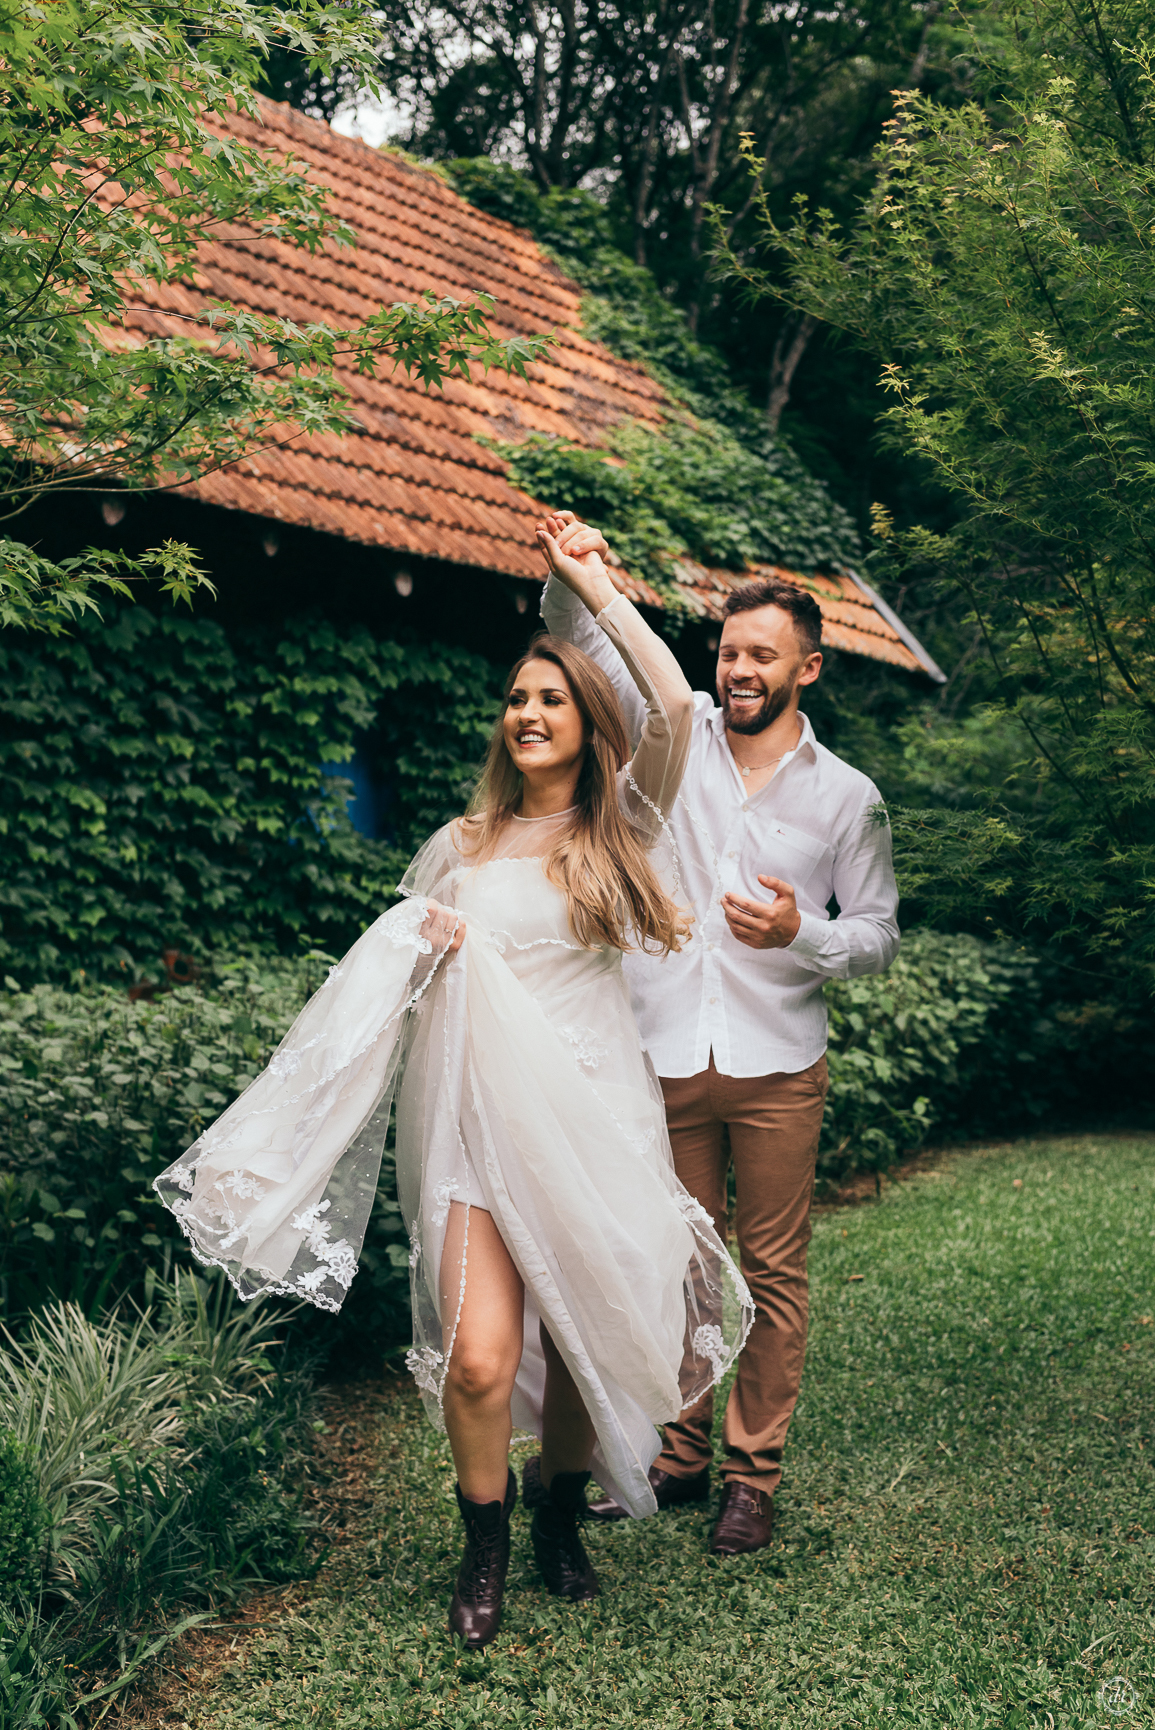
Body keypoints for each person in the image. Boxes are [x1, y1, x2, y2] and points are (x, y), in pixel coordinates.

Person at [154, 521, 753, 1650]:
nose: (529, 713)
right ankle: (484, 1538)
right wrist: (415, 944)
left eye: (553, 699)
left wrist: (587, 585)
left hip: (590, 1125)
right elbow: (408, 987)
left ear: (587, 727)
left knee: (581, 1345)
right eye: (518, 698)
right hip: (473, 1128)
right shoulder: (459, 843)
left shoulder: (616, 829)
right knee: (478, 1357)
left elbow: (674, 711)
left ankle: (559, 1517)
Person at [539, 512, 900, 1557]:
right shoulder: (674, 729)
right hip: (661, 1049)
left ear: (809, 667)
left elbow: (878, 935)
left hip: (779, 1059)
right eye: (729, 650)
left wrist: (807, 933)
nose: (737, 669)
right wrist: (572, 570)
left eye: (760, 655)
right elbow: (585, 640)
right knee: (684, 1262)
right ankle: (680, 1453)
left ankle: (754, 1473)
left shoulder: (848, 799)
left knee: (771, 1269)